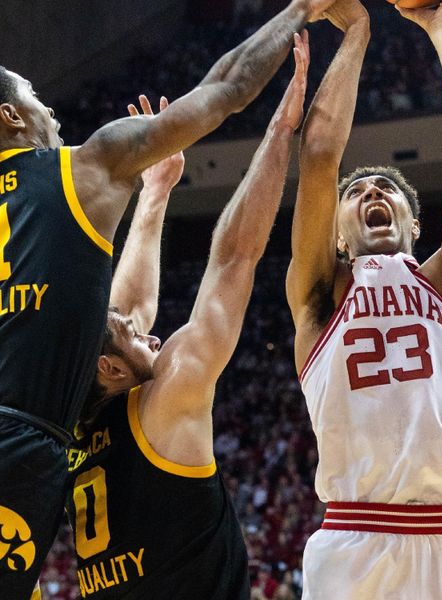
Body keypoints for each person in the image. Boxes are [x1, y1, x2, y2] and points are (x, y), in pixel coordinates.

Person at [0, 1, 334, 596]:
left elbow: (122, 320)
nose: (48, 107)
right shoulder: (81, 168)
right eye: (33, 98)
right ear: (10, 117)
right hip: (20, 443)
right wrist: (302, 14)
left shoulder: (88, 412)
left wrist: (155, 200)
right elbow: (225, 91)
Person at [63, 33, 310, 599]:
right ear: (111, 371)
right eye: (133, 337)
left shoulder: (75, 426)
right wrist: (279, 132)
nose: (145, 328)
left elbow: (122, 314)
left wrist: (155, 195)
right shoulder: (165, 401)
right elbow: (234, 259)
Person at [285, 0, 442, 596]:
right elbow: (321, 158)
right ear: (335, 231)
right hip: (356, 540)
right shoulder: (318, 296)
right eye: (357, 192)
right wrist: (357, 31)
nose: (371, 190)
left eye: (386, 189)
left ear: (415, 221)